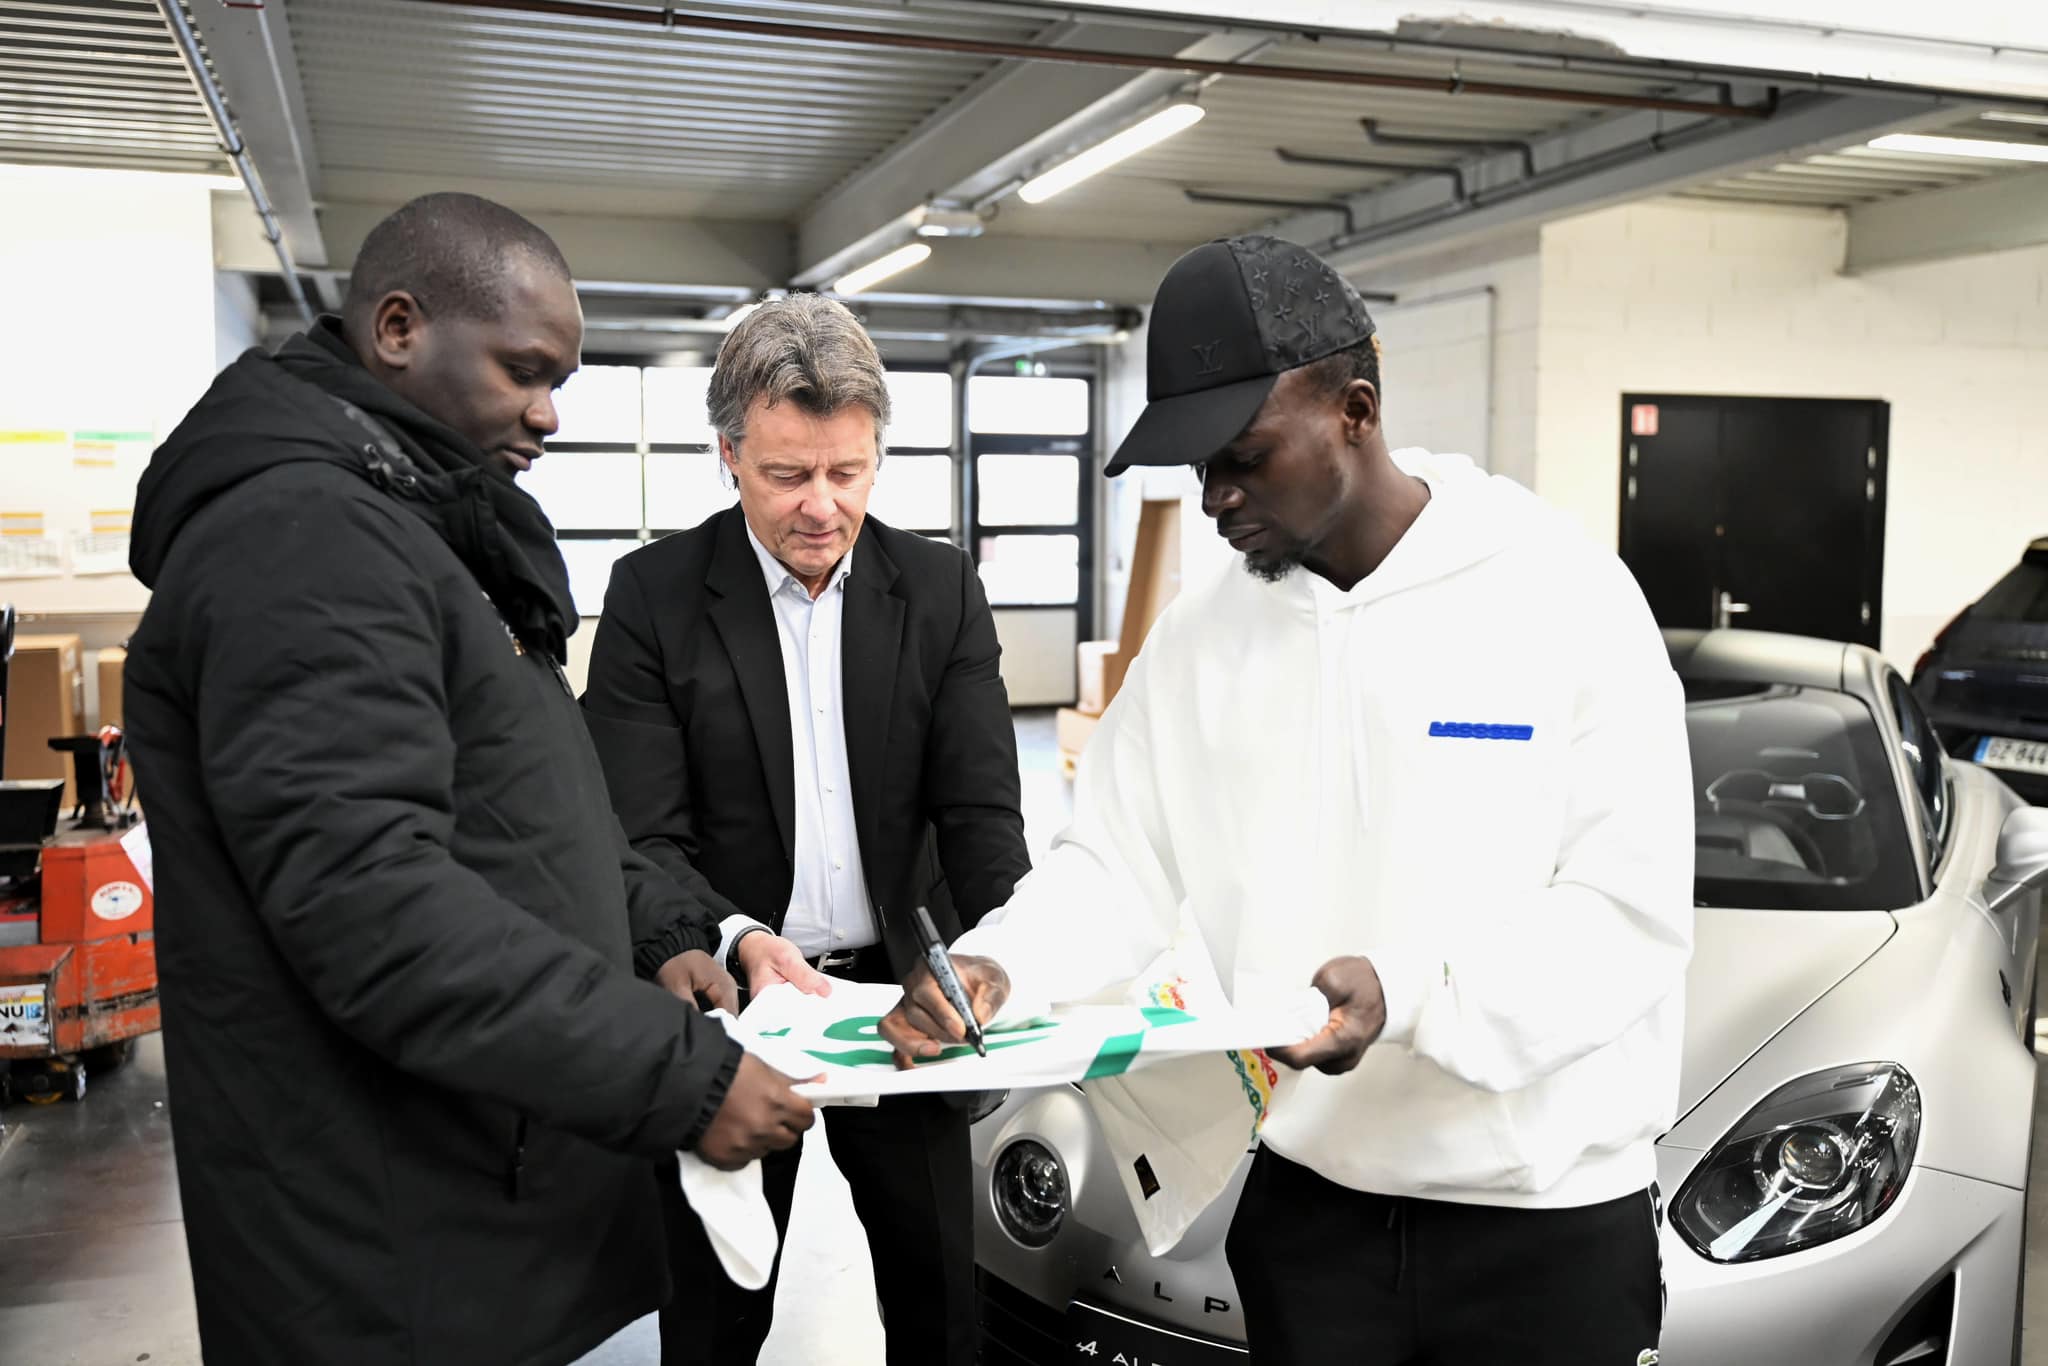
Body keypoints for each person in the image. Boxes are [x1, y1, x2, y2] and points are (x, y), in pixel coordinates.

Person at [881, 234, 1694, 1365]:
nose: (1214, 497)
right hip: (1310, 1215)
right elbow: (1112, 865)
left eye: (1243, 457)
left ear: (1354, 410)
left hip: (1541, 1221)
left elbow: (1625, 914)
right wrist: (1000, 962)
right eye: (1193, 468)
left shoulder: (1562, 597)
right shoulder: (1202, 637)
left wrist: (1405, 997)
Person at [122, 192, 820, 1366]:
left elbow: (525, 810)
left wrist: (663, 928)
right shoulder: (301, 539)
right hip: (404, 1261)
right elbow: (372, 907)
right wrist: (681, 1078)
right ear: (398, 327)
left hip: (507, 1209)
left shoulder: (419, 528)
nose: (547, 413)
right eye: (523, 371)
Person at [581, 292, 1030, 1366]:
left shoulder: (938, 589)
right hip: (736, 1007)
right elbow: (636, 834)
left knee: (939, 1308)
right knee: (714, 1313)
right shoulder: (653, 596)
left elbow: (979, 816)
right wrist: (733, 937)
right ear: (728, 454)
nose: (821, 506)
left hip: (900, 999)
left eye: (849, 472)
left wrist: (997, 957)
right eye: (788, 474)